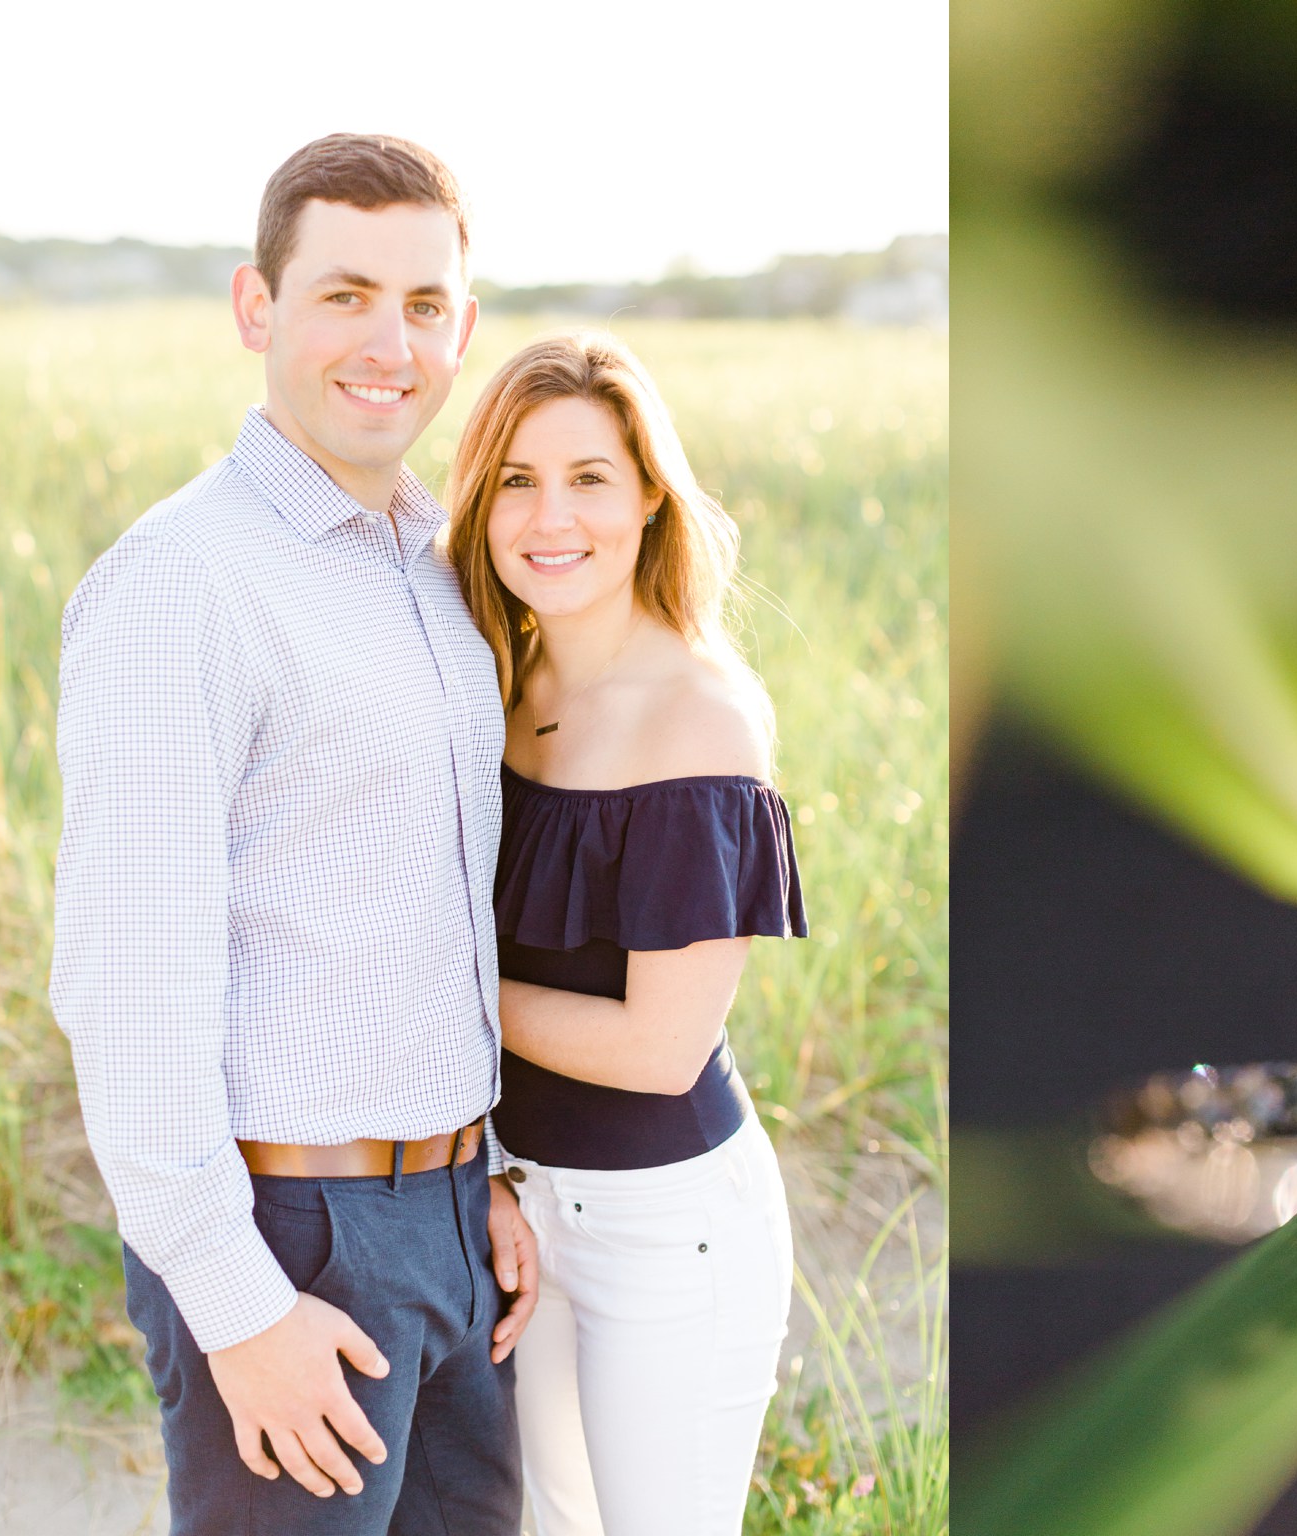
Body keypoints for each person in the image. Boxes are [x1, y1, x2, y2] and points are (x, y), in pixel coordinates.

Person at [51, 133, 538, 1534]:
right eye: (344, 295)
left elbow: (429, 904)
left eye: (426, 305)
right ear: (257, 309)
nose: (389, 343)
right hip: (286, 1238)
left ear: (463, 327)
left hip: (454, 1224)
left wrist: (483, 1169)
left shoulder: (444, 565)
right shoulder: (181, 586)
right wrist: (237, 1305)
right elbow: (130, 988)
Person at [445, 330, 807, 1534]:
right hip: (526, 1203)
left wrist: (437, 986)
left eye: (589, 477)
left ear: (650, 496)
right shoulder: (499, 682)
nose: (551, 516)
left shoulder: (697, 723)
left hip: (671, 1232)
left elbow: (659, 1052)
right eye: (516, 480)